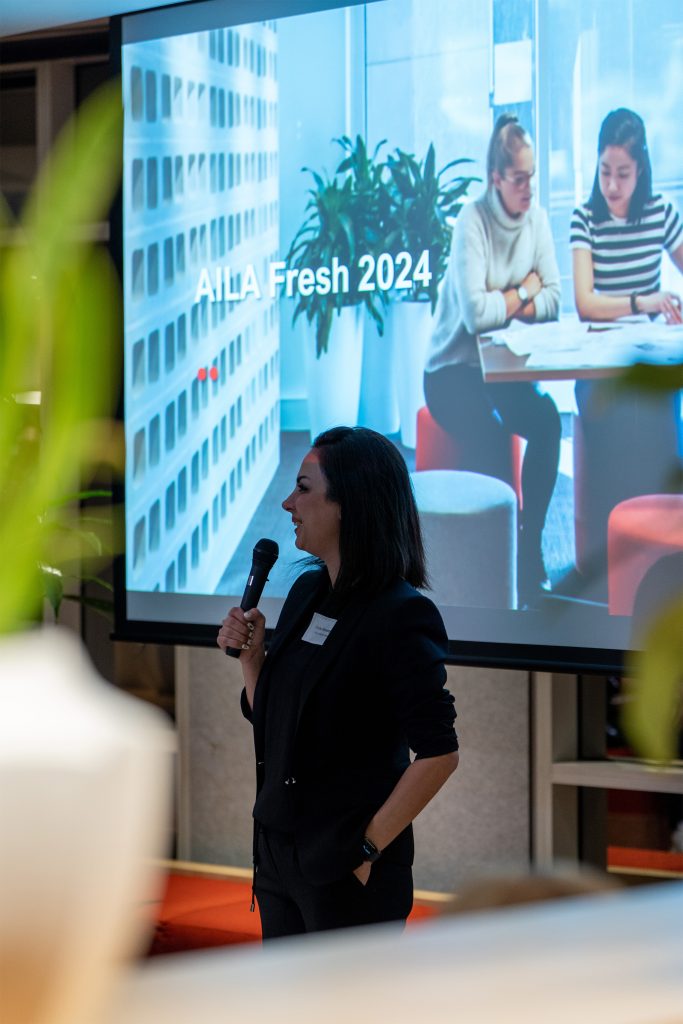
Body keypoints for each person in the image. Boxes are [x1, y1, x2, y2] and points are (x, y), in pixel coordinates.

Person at [217, 426, 459, 939]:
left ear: (350, 503)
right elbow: (278, 722)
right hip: (279, 853)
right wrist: (252, 658)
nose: (287, 503)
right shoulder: (309, 591)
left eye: (303, 488)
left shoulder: (402, 614)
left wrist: (366, 848)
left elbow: (439, 753)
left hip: (345, 865)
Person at [424, 113, 562, 607]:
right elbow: (474, 314)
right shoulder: (472, 221)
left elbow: (555, 301)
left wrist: (513, 297)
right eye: (519, 178)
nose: (528, 188)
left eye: (532, 177)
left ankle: (529, 548)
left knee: (547, 423)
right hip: (450, 372)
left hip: (505, 367)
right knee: (488, 439)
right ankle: (492, 567)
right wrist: (527, 288)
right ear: (496, 179)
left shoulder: (538, 219)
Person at [570, 108, 683, 585]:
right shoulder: (584, 218)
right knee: (613, 422)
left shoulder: (661, 213)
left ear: (641, 172)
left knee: (660, 417)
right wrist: (644, 300)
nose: (612, 184)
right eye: (604, 172)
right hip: (599, 374)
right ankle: (609, 563)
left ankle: (661, 558)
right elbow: (586, 303)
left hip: (645, 366)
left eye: (623, 174)